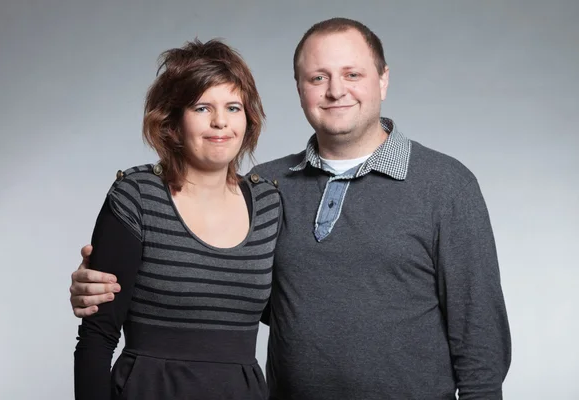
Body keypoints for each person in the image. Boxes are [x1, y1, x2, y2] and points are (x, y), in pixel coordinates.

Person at [70, 18, 512, 400]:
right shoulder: (268, 187)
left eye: (352, 74)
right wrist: (105, 283)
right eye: (318, 77)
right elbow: (231, 289)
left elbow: (480, 337)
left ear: (383, 79)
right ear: (299, 88)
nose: (336, 90)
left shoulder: (445, 185)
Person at [73, 38, 282, 400]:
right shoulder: (137, 196)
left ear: (248, 120)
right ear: (172, 122)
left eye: (233, 107)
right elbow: (97, 338)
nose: (220, 122)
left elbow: (288, 311)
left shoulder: (268, 203)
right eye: (202, 108)